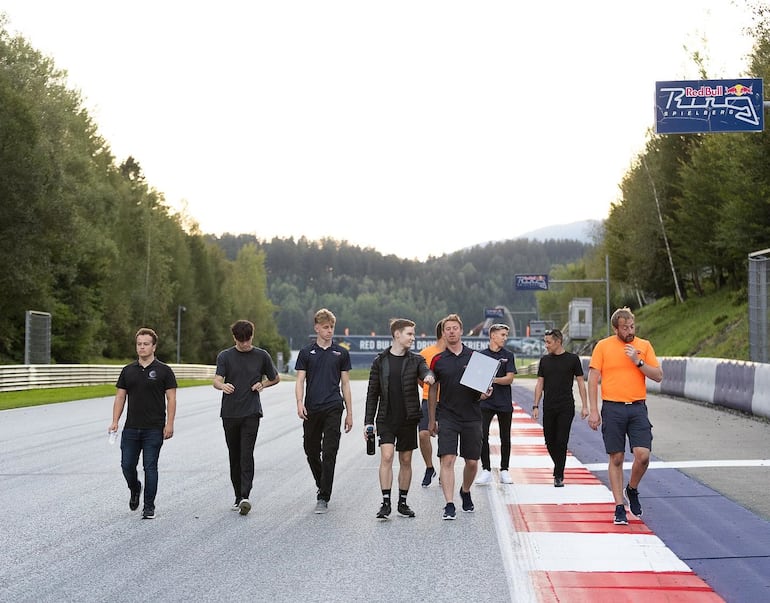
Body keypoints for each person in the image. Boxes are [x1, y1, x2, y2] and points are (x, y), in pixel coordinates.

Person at [587, 307, 663, 525]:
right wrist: (593, 410)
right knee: (617, 458)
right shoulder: (603, 346)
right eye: (625, 328)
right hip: (612, 408)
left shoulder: (644, 346)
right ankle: (619, 506)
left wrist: (638, 361)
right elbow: (593, 379)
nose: (629, 331)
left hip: (637, 407)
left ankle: (632, 488)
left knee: (643, 455)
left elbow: (658, 376)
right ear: (615, 328)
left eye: (632, 327)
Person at [364, 319, 434, 519]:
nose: (413, 338)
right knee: (386, 456)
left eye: (413, 334)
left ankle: (402, 502)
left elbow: (425, 370)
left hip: (408, 418)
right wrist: (368, 422)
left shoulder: (416, 360)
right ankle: (385, 503)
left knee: (405, 459)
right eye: (409, 334)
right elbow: (372, 393)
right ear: (397, 335)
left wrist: (428, 376)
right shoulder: (380, 361)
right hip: (386, 418)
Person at [213, 319, 280, 515]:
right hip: (230, 413)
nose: (245, 344)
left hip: (251, 412)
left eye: (248, 340)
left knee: (246, 453)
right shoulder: (225, 356)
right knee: (234, 454)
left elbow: (275, 377)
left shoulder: (261, 356)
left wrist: (263, 385)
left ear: (252, 336)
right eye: (241, 340)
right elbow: (216, 380)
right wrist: (222, 386)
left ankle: (245, 495)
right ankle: (237, 495)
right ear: (234, 338)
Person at [109, 327, 177, 519]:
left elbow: (171, 399)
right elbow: (120, 397)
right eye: (139, 344)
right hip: (131, 428)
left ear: (154, 346)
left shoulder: (164, 371)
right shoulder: (127, 371)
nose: (142, 347)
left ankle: (149, 506)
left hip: (154, 428)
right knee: (126, 465)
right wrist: (115, 421)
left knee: (150, 467)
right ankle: (135, 487)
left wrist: (169, 424)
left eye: (146, 344)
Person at [295, 308, 353, 514]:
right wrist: (299, 402)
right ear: (317, 328)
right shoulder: (305, 353)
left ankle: (324, 495)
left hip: (333, 406)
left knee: (330, 451)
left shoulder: (341, 353)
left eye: (331, 327)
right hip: (312, 407)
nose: (329, 331)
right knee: (311, 450)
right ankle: (322, 482)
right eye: (326, 327)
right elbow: (300, 380)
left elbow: (345, 384)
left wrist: (350, 412)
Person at [427, 313, 483, 520]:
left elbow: (483, 388)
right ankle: (449, 504)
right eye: (447, 329)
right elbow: (432, 390)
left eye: (454, 328)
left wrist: (486, 393)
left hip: (472, 416)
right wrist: (432, 419)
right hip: (448, 415)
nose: (451, 332)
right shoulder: (438, 360)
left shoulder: (474, 357)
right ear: (443, 333)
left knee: (471, 462)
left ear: (460, 330)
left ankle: (465, 491)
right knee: (447, 458)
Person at [533, 328, 588, 487]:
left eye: (548, 342)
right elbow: (540, 383)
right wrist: (535, 405)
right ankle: (559, 466)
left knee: (561, 441)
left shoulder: (572, 359)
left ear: (558, 342)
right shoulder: (544, 361)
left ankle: (558, 474)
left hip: (566, 406)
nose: (546, 345)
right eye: (545, 342)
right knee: (550, 441)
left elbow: (580, 384)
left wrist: (584, 406)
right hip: (549, 406)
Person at [475, 323, 517, 486]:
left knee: (505, 437)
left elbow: (510, 378)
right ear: (492, 335)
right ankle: (486, 469)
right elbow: (477, 379)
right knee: (482, 435)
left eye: (506, 335)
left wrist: (492, 379)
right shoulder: (481, 355)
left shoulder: (508, 355)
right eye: (502, 335)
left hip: (504, 402)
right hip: (486, 402)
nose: (505, 338)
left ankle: (504, 470)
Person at [418, 319, 444, 487]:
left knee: (446, 437)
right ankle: (429, 467)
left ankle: (444, 471)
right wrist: (426, 388)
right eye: (448, 329)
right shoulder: (426, 353)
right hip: (429, 399)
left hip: (449, 401)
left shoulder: (455, 352)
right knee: (423, 434)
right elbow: (418, 377)